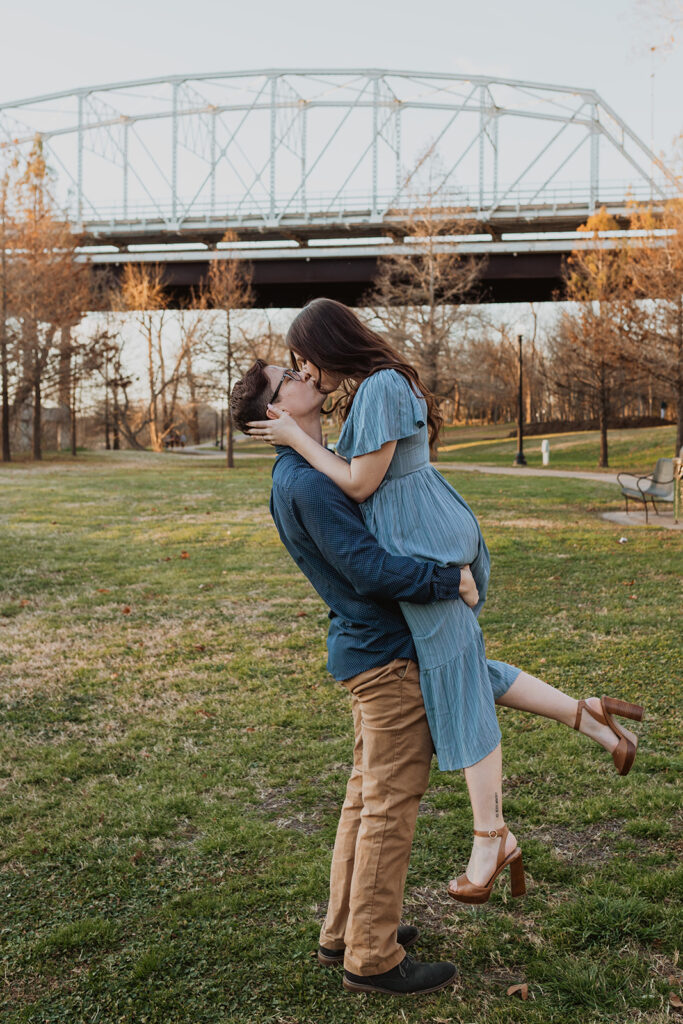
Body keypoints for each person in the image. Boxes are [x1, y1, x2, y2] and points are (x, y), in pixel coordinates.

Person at [245, 297, 644, 909]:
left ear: (329, 345)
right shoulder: (376, 385)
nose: (305, 371)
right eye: (293, 367)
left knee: (455, 679)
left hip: (423, 547)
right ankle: (585, 714)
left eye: (305, 358)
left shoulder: (379, 386)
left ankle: (491, 839)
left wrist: (297, 438)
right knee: (459, 668)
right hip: (423, 540)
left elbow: (356, 483)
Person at [230, 360, 481, 996]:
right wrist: (445, 578)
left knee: (364, 796)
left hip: (365, 650)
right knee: (390, 806)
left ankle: (346, 928)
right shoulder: (308, 484)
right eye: (285, 374)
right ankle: (373, 956)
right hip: (385, 656)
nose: (303, 372)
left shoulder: (303, 469)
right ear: (276, 411)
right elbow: (368, 569)